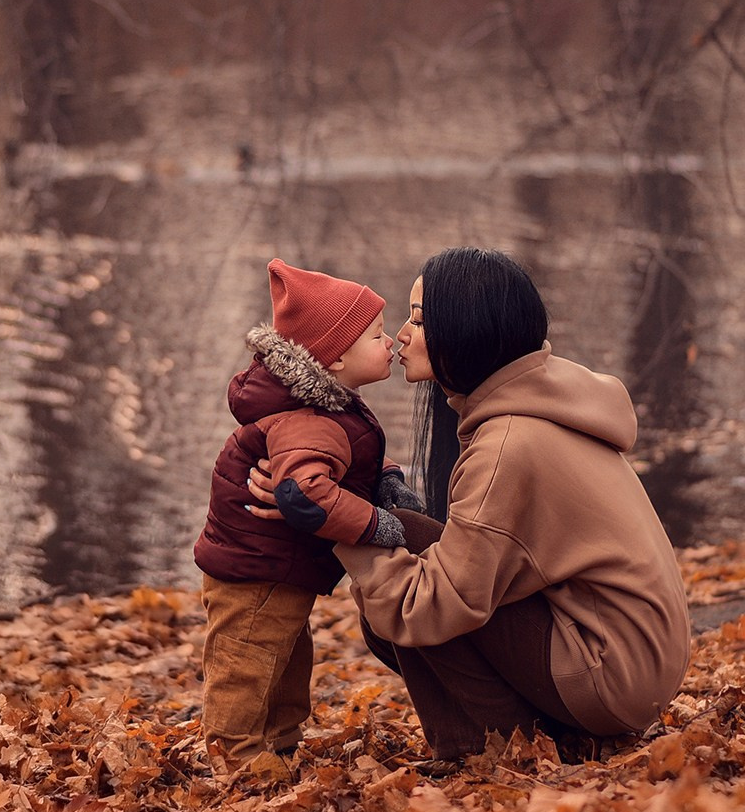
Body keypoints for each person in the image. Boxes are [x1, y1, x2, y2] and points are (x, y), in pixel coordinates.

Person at [252, 247, 691, 762]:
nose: (400, 335)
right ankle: (541, 733)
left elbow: (433, 606)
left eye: (418, 319)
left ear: (464, 329)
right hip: (636, 660)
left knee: (400, 575)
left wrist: (337, 520)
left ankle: (484, 748)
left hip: (608, 672)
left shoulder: (507, 444)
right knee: (402, 556)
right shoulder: (545, 399)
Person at [193, 258, 422, 771]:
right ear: (335, 359)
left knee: (287, 658)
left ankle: (280, 740)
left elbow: (350, 457)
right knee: (246, 662)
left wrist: (387, 479)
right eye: (377, 336)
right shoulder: (308, 419)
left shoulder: (332, 405)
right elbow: (302, 491)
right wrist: (374, 523)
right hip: (254, 569)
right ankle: (236, 757)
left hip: (280, 567)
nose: (391, 343)